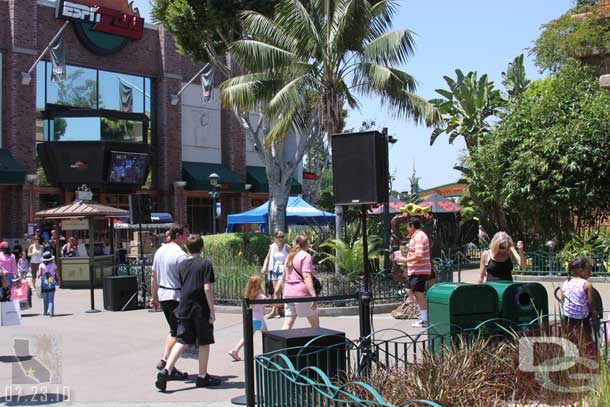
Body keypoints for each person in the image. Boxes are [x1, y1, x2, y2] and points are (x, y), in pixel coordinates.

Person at [155, 234, 221, 391]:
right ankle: (202, 376)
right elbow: (207, 288)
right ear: (202, 247)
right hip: (200, 308)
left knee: (182, 339)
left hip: (184, 307)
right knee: (204, 341)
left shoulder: (183, 264)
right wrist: (212, 310)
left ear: (187, 248)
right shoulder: (205, 264)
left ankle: (167, 370)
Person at [150, 223, 189, 380]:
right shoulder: (180, 255)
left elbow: (153, 276)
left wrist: (154, 296)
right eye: (186, 234)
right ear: (178, 235)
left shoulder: (160, 251)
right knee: (183, 334)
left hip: (164, 294)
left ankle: (166, 360)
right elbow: (186, 279)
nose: (188, 236)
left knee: (174, 330)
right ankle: (168, 366)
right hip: (176, 296)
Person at [395, 217, 432, 328]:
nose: (406, 228)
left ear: (412, 226)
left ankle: (425, 319)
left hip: (420, 270)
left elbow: (419, 255)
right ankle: (423, 314)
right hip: (415, 270)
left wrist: (404, 260)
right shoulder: (416, 236)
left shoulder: (419, 237)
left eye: (407, 226)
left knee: (418, 294)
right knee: (409, 290)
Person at [277, 235, 319, 330]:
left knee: (288, 323)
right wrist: (313, 294)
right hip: (302, 293)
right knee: (315, 325)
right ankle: (316, 344)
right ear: (306, 244)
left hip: (288, 293)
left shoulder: (289, 256)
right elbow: (307, 276)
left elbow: (284, 276)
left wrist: (283, 293)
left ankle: (281, 344)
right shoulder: (306, 256)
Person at [560, 256, 598, 356]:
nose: (590, 273)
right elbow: (591, 305)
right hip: (582, 320)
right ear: (581, 270)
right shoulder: (586, 285)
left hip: (567, 319)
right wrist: (594, 314)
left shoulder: (565, 282)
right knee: (587, 344)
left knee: (571, 344)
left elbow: (562, 300)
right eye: (589, 270)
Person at [228, 275, 267, 361]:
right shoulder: (261, 296)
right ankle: (266, 354)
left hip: (251, 319)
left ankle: (235, 350)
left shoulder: (248, 295)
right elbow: (266, 304)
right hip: (259, 319)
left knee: (247, 337)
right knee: (267, 336)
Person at [260, 230, 289, 319]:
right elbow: (267, 257)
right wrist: (264, 267)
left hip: (283, 271)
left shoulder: (286, 247)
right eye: (279, 237)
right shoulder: (272, 247)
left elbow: (292, 255)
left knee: (276, 291)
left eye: (282, 237)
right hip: (274, 270)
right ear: (275, 238)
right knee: (276, 293)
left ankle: (272, 312)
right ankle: (277, 312)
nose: (280, 239)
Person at [37, 251, 60, 316]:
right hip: (51, 283)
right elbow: (56, 273)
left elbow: (39, 274)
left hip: (44, 284)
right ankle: (51, 312)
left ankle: (45, 311)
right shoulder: (53, 265)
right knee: (51, 298)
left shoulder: (41, 265)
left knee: (45, 299)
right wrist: (58, 280)